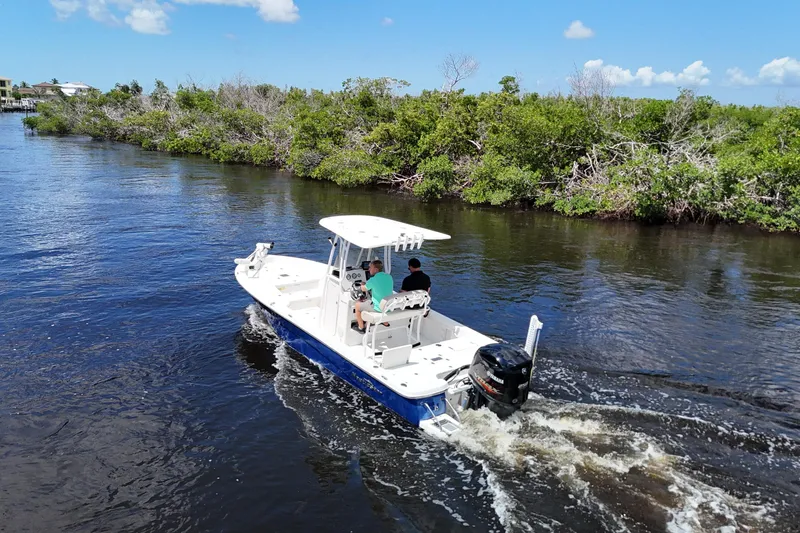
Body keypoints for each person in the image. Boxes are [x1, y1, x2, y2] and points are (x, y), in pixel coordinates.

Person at [355, 260, 393, 331]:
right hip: (388, 306)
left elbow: (363, 289)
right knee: (370, 300)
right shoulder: (389, 277)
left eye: (370, 267)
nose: (369, 269)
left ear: (376, 269)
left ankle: (361, 327)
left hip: (378, 308)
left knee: (357, 305)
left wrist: (362, 284)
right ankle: (385, 323)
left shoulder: (373, 280)